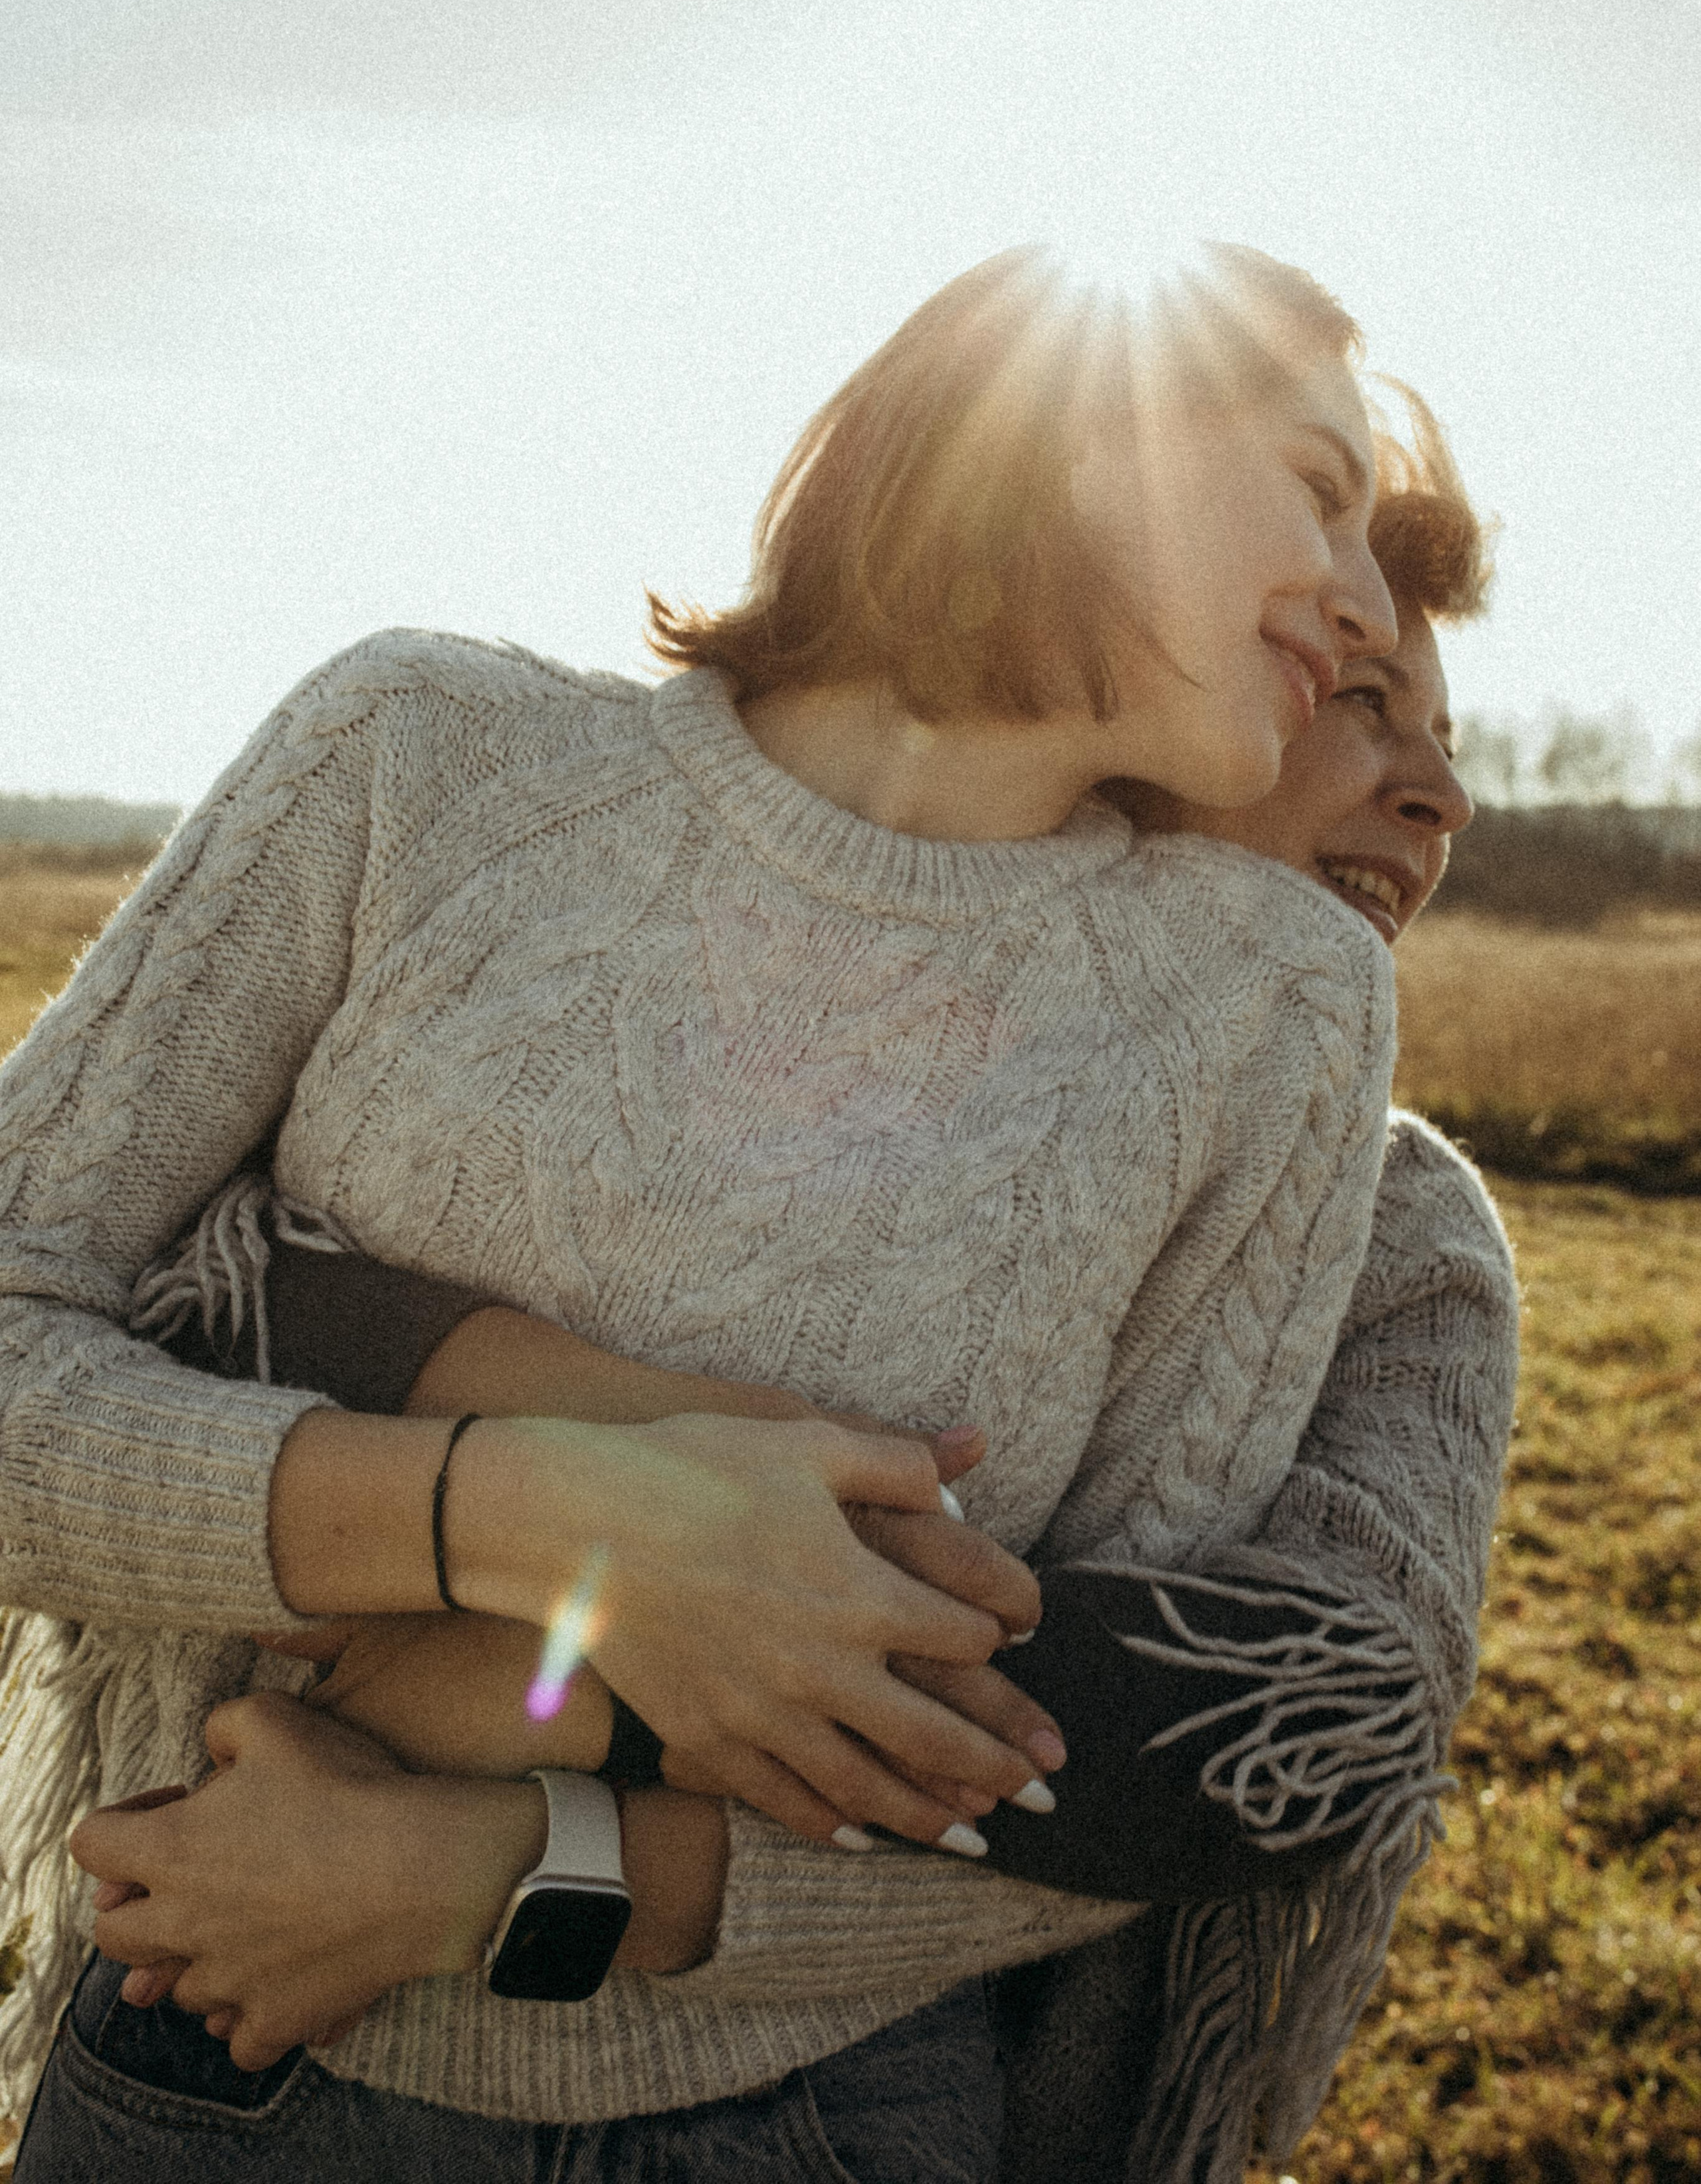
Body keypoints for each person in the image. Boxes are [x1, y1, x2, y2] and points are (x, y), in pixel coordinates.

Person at [0, 241, 1405, 2181]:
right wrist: (541, 1512)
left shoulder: (1277, 1015)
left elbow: (1094, 1754)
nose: (1362, 599)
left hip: (816, 2125)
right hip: (215, 2061)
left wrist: (516, 1836)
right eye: (1320, 491)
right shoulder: (414, 757)